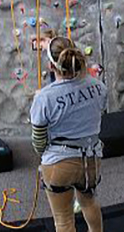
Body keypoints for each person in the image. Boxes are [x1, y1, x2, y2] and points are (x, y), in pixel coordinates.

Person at [30, 36, 107, 232]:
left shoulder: (44, 97)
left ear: (50, 65)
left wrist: (43, 157)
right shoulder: (99, 87)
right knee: (89, 202)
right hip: (91, 160)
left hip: (59, 162)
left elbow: (38, 140)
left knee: (63, 219)